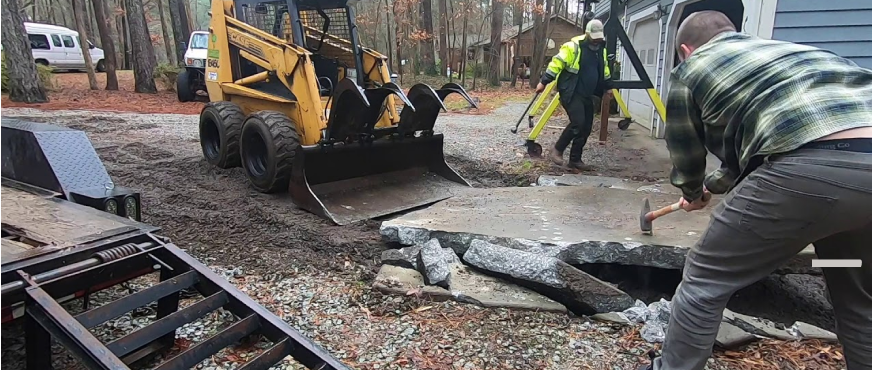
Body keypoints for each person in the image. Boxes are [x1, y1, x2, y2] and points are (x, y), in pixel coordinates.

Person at [640, 10, 872, 370]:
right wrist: (708, 188)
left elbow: (685, 147)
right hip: (859, 183)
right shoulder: (790, 53)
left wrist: (690, 187)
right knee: (854, 289)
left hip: (810, 172)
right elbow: (747, 161)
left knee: (706, 278)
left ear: (686, 50)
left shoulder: (693, 67)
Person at [536, 19, 611, 171]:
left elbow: (605, 70)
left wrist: (608, 87)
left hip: (589, 94)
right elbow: (557, 63)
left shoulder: (600, 50)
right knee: (578, 122)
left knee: (586, 128)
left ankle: (575, 160)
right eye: (594, 37)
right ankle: (557, 149)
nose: (597, 40)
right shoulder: (573, 47)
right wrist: (544, 81)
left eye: (599, 37)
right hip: (571, 91)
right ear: (588, 33)